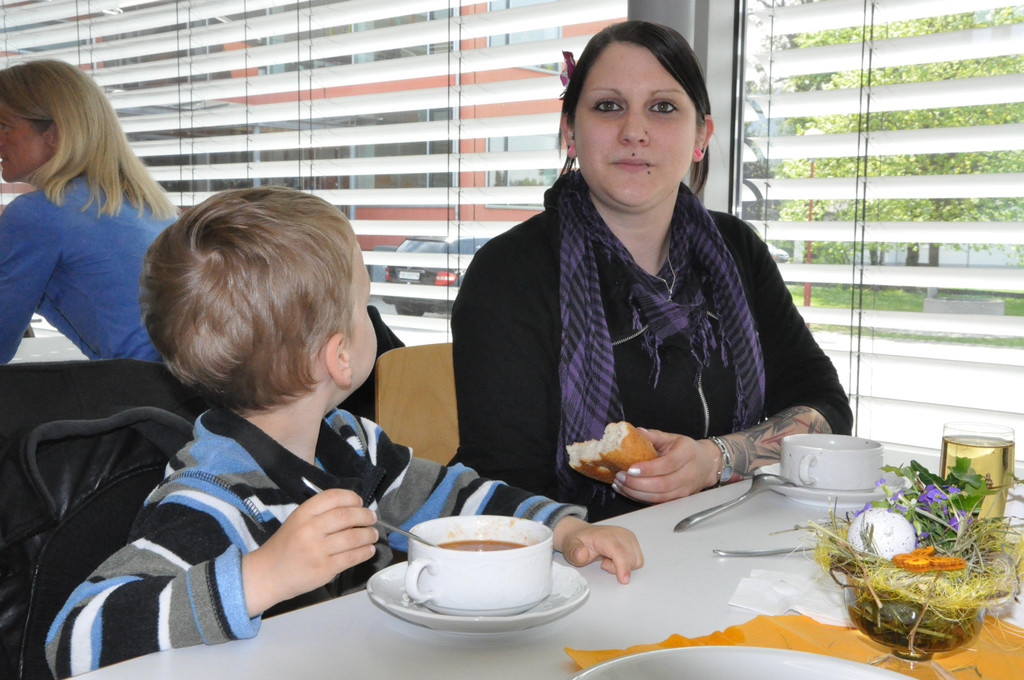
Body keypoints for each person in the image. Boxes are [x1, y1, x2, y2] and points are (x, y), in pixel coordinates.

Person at [44, 186, 642, 678]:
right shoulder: (211, 500)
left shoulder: (350, 442)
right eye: (363, 305)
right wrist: (261, 576)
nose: (370, 317)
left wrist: (557, 528)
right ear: (340, 357)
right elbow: (73, 638)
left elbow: (449, 497)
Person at [450, 21, 853, 521]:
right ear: (570, 132)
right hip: (574, 553)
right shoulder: (508, 273)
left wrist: (716, 459)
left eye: (662, 107)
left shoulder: (738, 249)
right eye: (608, 106)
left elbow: (827, 409)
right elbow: (502, 485)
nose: (634, 132)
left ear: (701, 135)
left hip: (725, 533)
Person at [0, 59, 176, 363]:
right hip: (190, 385)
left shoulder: (37, 214)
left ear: (54, 134)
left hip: (143, 386)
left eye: (3, 126)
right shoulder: (145, 204)